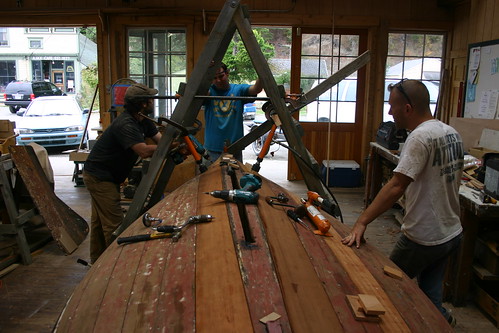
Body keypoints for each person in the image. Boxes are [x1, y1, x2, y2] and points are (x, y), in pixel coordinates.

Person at [341, 79, 464, 327]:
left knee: (386, 288)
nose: (389, 112)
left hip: (423, 237)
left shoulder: (419, 138)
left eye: (392, 106)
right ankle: (441, 320)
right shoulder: (450, 132)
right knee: (429, 293)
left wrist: (362, 221)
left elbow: (396, 186)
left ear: (407, 108)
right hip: (450, 232)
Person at [83, 83, 161, 263]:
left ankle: (96, 262)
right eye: (150, 99)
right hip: (99, 177)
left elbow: (160, 140)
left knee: (98, 223)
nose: (153, 102)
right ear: (142, 103)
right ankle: (116, 266)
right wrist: (167, 147)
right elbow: (142, 150)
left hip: (107, 175)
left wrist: (175, 144)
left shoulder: (143, 120)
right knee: (114, 225)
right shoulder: (126, 123)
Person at [203, 62, 263, 163]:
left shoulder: (238, 90)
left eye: (221, 76)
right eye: (214, 78)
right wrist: (204, 71)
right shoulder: (209, 92)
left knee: (234, 177)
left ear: (227, 73)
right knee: (209, 178)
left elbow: (256, 89)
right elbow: (198, 90)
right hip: (212, 149)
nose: (218, 80)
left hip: (234, 149)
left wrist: (262, 70)